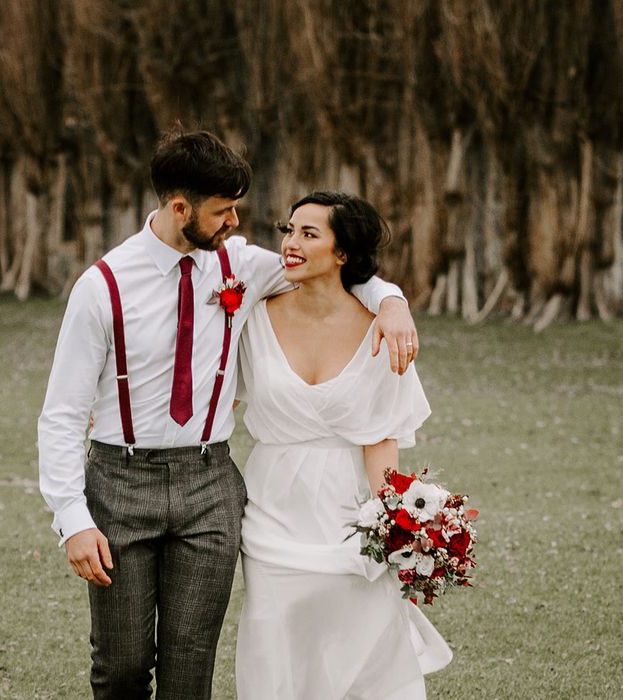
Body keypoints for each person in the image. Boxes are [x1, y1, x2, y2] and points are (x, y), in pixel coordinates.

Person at [37, 131, 419, 700]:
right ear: (180, 208)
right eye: (223, 211)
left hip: (210, 484)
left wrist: (393, 303)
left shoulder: (238, 264)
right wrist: (72, 516)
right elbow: (63, 414)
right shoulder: (102, 287)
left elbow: (338, 267)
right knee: (120, 666)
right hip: (121, 482)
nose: (236, 223)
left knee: (191, 668)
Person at [235, 191, 452, 699]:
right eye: (288, 230)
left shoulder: (383, 331)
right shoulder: (252, 317)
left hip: (349, 512)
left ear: (342, 253)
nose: (289, 243)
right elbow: (215, 398)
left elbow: (380, 437)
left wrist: (394, 523)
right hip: (271, 508)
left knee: (360, 643)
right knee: (273, 640)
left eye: (309, 234)